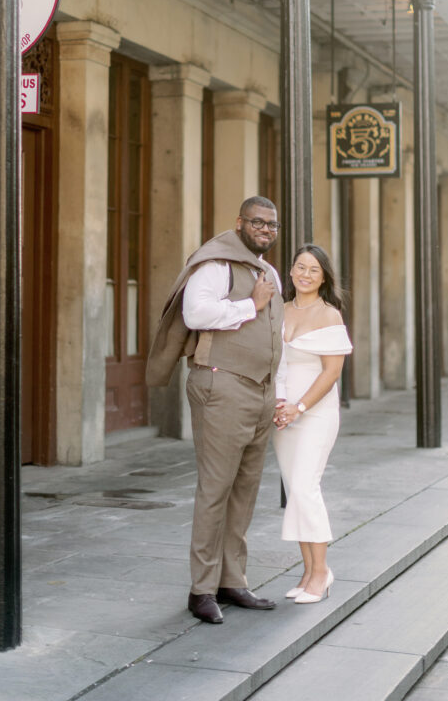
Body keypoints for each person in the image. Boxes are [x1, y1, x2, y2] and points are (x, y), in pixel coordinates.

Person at [146, 196, 284, 625]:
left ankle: (232, 580)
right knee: (215, 489)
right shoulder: (216, 264)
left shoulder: (269, 271)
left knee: (245, 490)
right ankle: (201, 590)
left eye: (273, 225)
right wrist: (252, 305)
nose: (266, 230)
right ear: (239, 223)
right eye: (258, 222)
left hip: (260, 392)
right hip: (222, 385)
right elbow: (196, 312)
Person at [273, 244, 353, 604]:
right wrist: (278, 403)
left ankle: (322, 572)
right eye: (300, 267)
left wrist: (300, 407)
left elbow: (332, 372)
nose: (305, 274)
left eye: (313, 270)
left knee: (306, 488)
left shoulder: (329, 315)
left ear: (323, 278)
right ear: (290, 271)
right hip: (283, 412)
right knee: (295, 490)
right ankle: (306, 572)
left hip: (315, 412)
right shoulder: (280, 310)